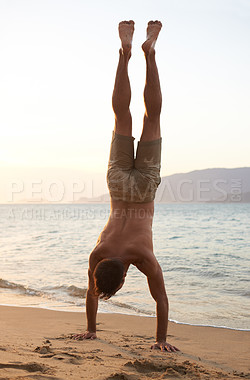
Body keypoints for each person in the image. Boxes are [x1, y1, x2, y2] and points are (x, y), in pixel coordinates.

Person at [74, 20, 179, 352]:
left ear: (122, 278)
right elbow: (93, 289)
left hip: (145, 188)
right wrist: (89, 328)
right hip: (119, 188)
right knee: (123, 118)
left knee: (153, 117)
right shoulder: (98, 252)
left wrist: (161, 339)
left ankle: (150, 54)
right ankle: (126, 53)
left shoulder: (142, 256)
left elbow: (160, 299)